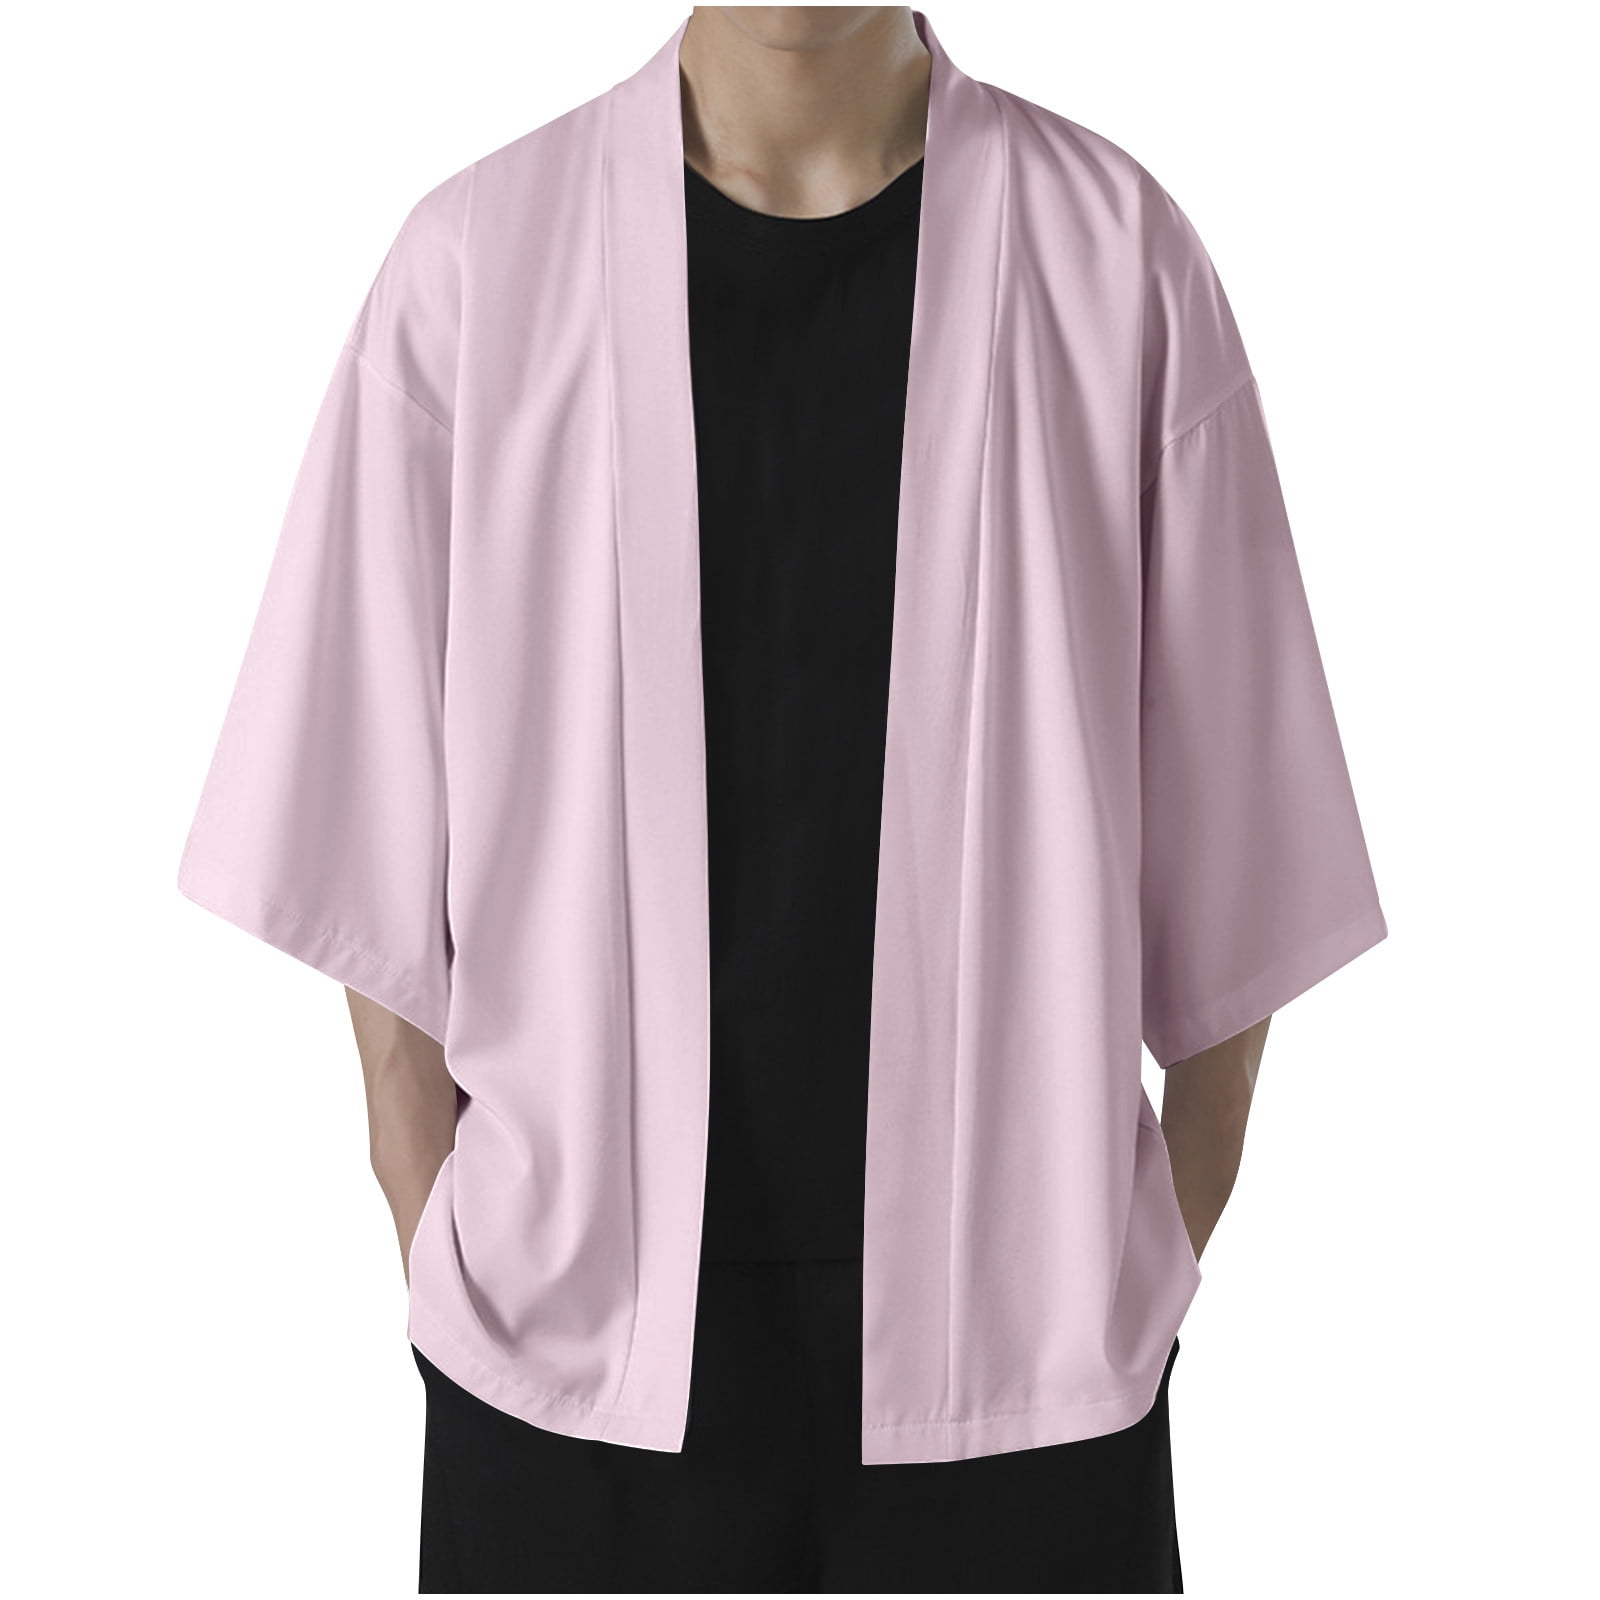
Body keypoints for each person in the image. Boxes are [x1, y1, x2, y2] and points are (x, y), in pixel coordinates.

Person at [178, 7, 1385, 1592]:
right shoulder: (476, 266)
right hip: (568, 1386)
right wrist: (436, 1227)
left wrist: (1137, 1258)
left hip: (1025, 1393)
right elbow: (355, 810)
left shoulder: (1117, 258)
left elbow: (1251, 835)